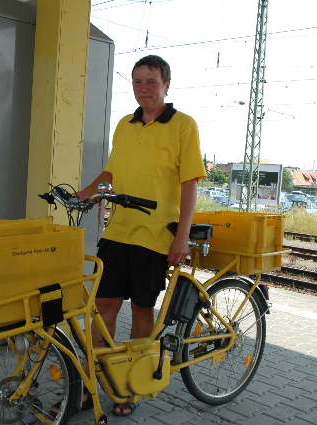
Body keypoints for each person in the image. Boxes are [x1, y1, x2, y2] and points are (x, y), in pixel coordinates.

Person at [78, 54, 207, 417]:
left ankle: (130, 387)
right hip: (118, 231)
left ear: (167, 85)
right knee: (102, 308)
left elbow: (189, 184)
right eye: (137, 81)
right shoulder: (125, 125)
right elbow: (111, 174)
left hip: (154, 236)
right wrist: (83, 194)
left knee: (141, 310)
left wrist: (181, 237)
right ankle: (88, 385)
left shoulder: (183, 125)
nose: (143, 88)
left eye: (151, 81)